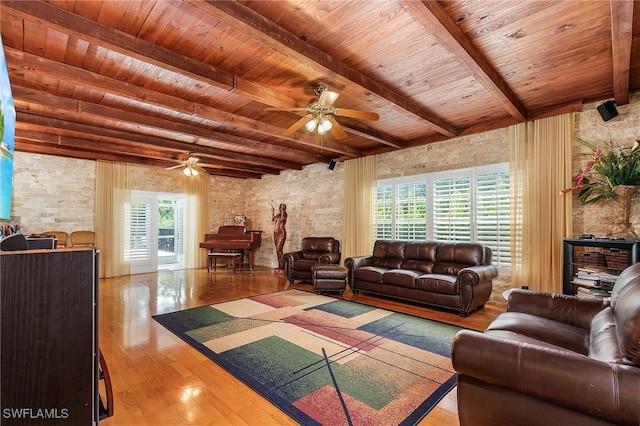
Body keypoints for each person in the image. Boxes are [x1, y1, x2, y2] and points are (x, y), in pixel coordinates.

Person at [271, 203, 287, 269]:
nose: (281, 208)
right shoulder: (278, 215)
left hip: (281, 233)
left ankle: (282, 265)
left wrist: (283, 212)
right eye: (281, 207)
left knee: (279, 249)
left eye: (283, 207)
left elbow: (282, 219)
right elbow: (273, 219)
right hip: (276, 233)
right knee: (277, 250)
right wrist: (273, 212)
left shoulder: (285, 214)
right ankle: (279, 265)